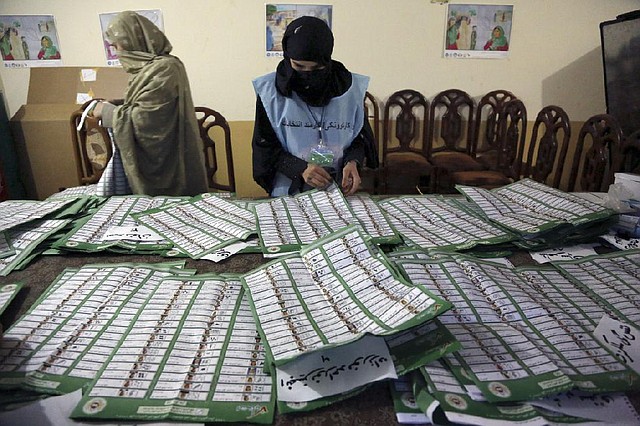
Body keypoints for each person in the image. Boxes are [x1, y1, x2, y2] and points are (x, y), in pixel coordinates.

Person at [251, 16, 377, 197]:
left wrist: (352, 162)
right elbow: (265, 147)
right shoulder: (269, 92)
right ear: (287, 58)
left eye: (317, 69)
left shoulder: (349, 88)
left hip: (339, 190)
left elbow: (358, 138)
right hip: (289, 191)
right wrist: (299, 168)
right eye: (299, 67)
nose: (308, 75)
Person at [92, 11, 208, 196]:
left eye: (117, 45)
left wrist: (108, 113)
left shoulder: (164, 68)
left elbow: (148, 120)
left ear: (132, 40)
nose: (117, 52)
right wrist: (119, 104)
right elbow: (148, 102)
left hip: (169, 167)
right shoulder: (147, 69)